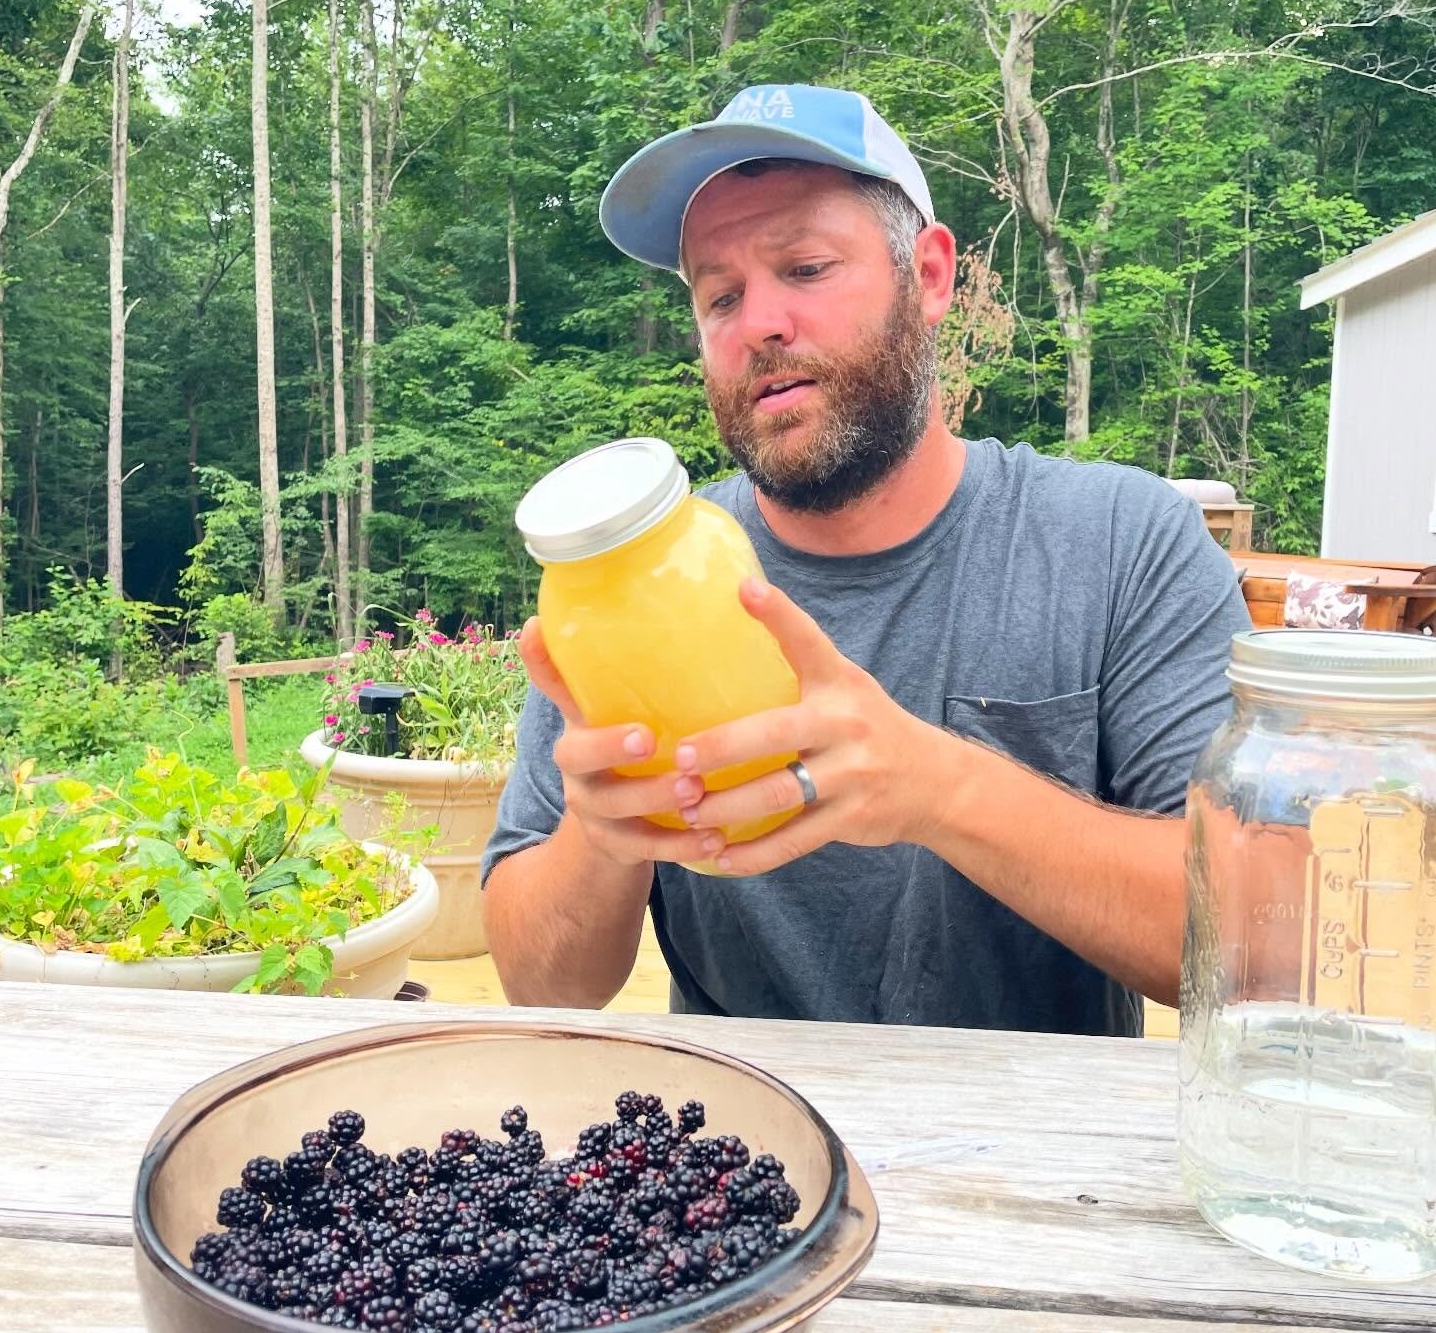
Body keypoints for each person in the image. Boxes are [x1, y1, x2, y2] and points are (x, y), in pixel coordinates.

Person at [482, 83, 1250, 1032]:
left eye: (804, 267)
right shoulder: (634, 579)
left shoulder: (1122, 542)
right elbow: (539, 982)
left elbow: (1256, 942)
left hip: (1048, 1162)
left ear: (929, 276)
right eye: (719, 295)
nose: (759, 322)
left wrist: (938, 787)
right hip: (738, 1155)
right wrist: (602, 838)